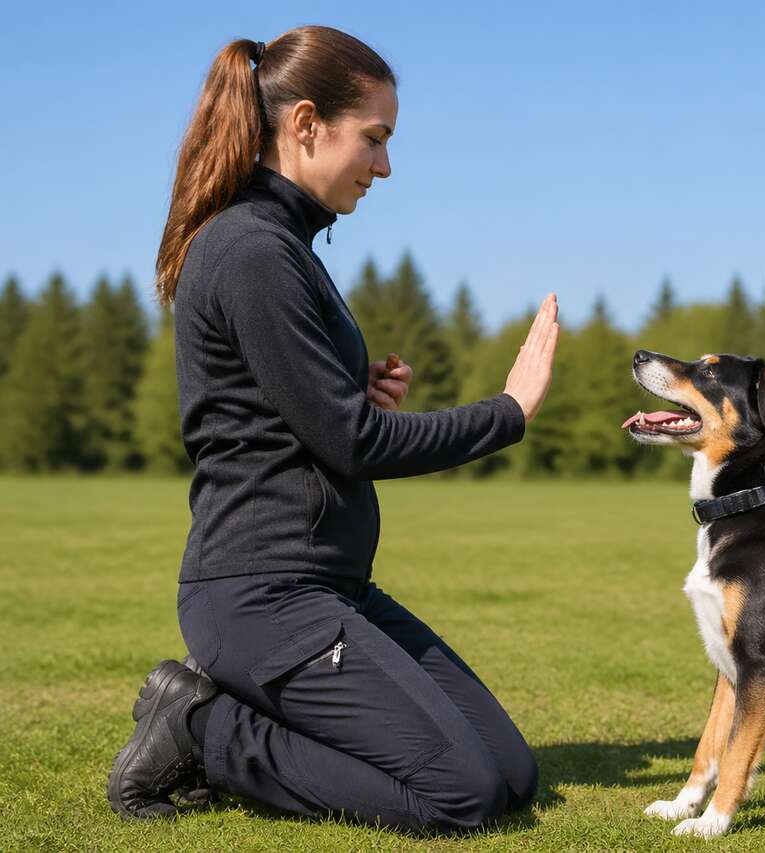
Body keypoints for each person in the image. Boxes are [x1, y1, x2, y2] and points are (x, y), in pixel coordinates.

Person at [106, 25, 559, 834]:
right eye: (375, 139)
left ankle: (228, 718)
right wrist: (509, 412)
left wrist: (351, 390)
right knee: (463, 794)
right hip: (261, 595)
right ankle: (204, 730)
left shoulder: (288, 246)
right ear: (306, 124)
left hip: (331, 587)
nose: (384, 166)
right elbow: (352, 446)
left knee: (514, 775)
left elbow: (303, 421)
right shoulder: (251, 248)